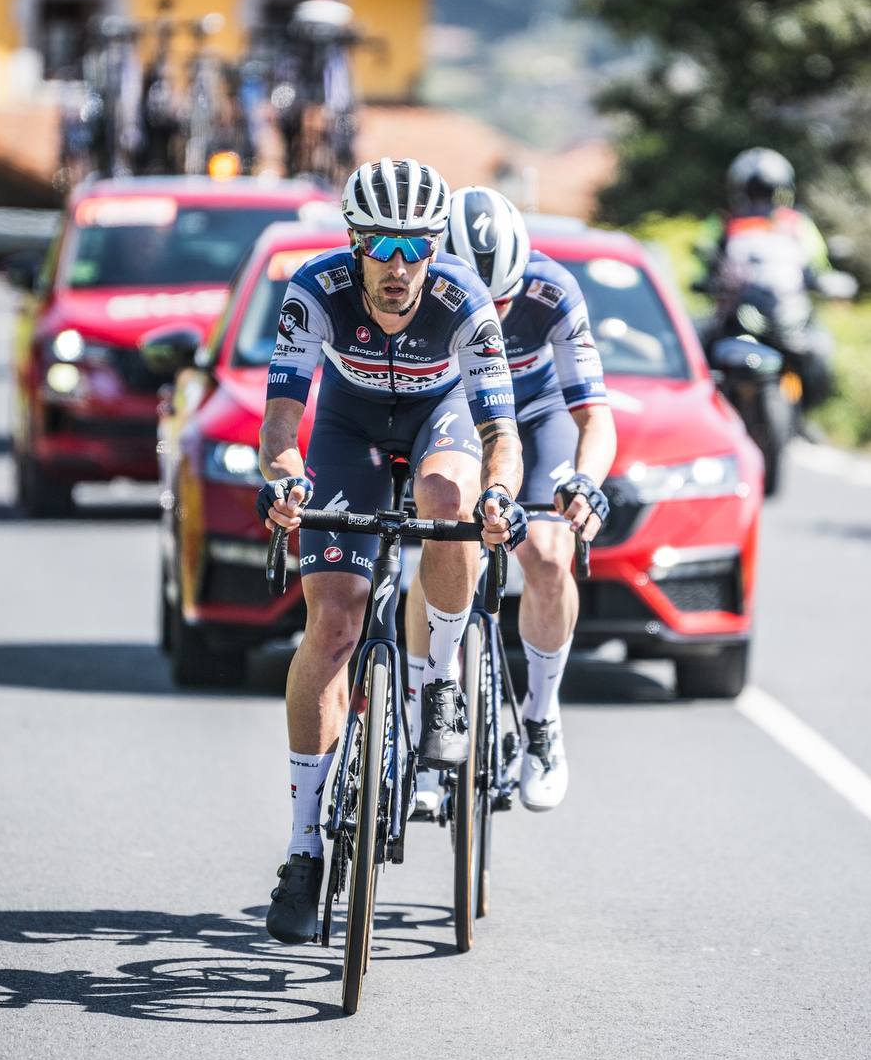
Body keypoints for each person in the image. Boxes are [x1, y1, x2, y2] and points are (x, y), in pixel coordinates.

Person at [257, 157, 527, 945]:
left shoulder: (463, 301)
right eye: (381, 246)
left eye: (417, 247)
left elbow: (499, 437)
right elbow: (281, 425)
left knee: (450, 503)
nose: (400, 267)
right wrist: (283, 482)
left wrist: (499, 499)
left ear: (436, 246)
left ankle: (437, 679)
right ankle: (304, 851)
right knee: (333, 627)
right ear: (353, 242)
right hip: (347, 428)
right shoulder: (316, 290)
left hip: (437, 422)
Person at [406, 185, 616, 815]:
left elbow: (593, 416)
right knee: (443, 532)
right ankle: (425, 712)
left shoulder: (553, 291)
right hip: (457, 409)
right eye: (477, 300)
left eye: (501, 300)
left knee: (550, 552)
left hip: (534, 408)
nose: (488, 316)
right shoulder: (421, 283)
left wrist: (585, 483)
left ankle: (542, 718)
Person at [696, 148, 834, 407]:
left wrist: (822, 280)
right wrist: (706, 281)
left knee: (820, 349)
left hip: (787, 312)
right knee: (698, 347)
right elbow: (705, 259)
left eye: (765, 191)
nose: (760, 199)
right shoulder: (725, 222)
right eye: (755, 191)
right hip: (738, 315)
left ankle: (806, 413)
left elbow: (818, 263)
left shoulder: (797, 224)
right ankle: (706, 409)